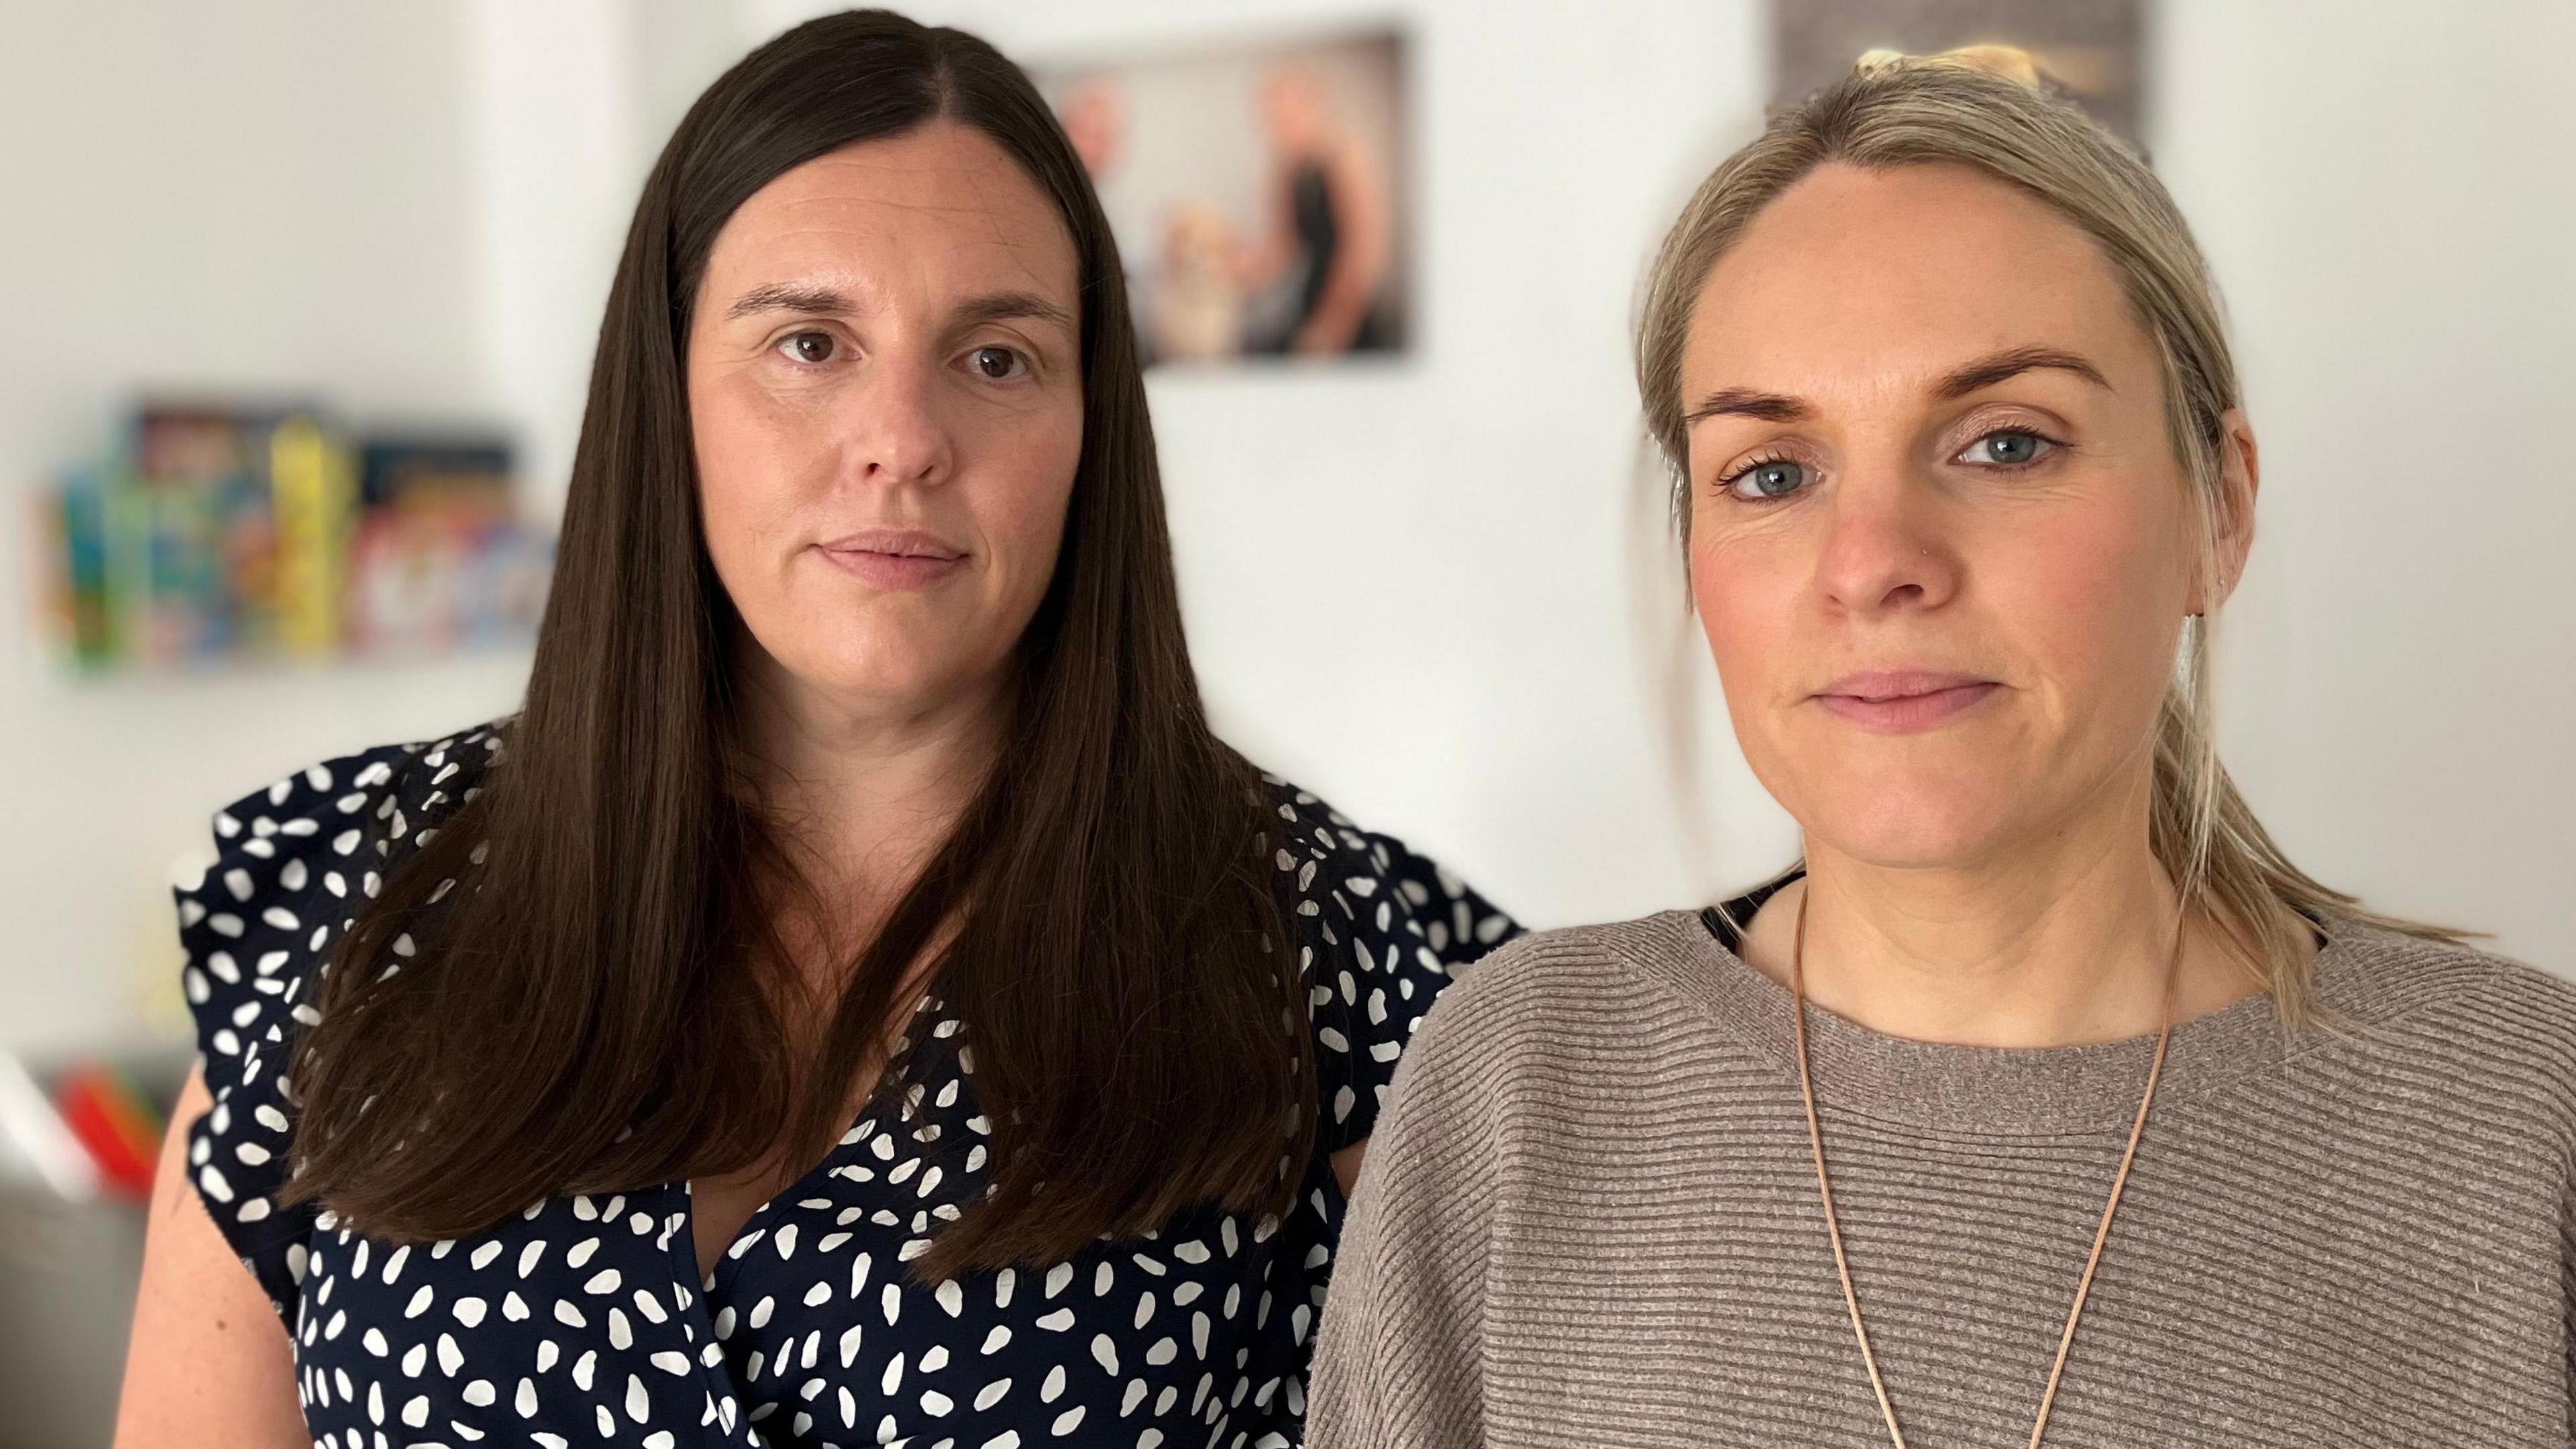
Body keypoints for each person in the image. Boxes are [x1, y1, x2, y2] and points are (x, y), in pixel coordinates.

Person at [113, 12, 1515, 1448]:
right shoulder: (357, 899)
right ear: (667, 393)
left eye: (997, 359)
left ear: (1093, 423)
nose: (901, 436)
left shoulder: (1351, 960)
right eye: (808, 341)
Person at [1310, 48, 2576, 1449]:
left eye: (2005, 444)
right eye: (1773, 474)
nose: (1874, 565)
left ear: (2217, 509)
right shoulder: (1515, 1084)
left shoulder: (2519, 1122)